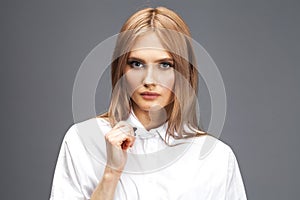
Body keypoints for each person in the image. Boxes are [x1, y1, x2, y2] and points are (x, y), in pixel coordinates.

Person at [50, 7, 247, 200]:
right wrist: (111, 174)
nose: (149, 79)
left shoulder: (217, 158)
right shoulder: (83, 141)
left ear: (183, 73)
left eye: (165, 65)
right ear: (121, 70)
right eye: (137, 63)